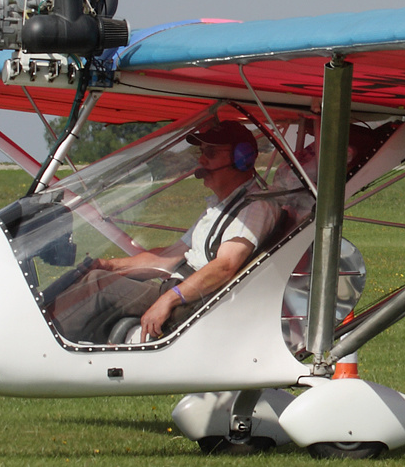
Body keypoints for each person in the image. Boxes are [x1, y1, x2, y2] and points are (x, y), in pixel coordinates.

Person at [48, 121, 280, 343]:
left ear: (242, 159)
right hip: (179, 289)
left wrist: (169, 299)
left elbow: (225, 266)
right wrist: (110, 265)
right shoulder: (221, 207)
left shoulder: (255, 208)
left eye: (211, 152)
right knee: (91, 274)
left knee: (97, 284)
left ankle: (43, 341)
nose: (201, 160)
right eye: (201, 151)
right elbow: (171, 255)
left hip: (193, 301)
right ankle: (43, 319)